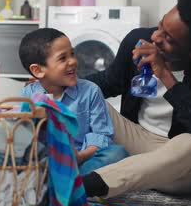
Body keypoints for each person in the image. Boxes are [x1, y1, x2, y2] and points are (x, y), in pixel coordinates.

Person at [83, 0, 191, 200]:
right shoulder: (138, 41)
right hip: (136, 141)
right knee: (84, 94)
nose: (156, 37)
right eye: (160, 26)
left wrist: (167, 77)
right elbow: (108, 82)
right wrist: (57, 84)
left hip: (182, 164)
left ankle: (88, 186)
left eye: (169, 38)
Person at [19, 28, 129, 177]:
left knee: (118, 153)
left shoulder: (90, 91)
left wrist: (80, 156)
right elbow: (24, 138)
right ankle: (72, 186)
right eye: (62, 58)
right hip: (47, 162)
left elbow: (101, 135)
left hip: (84, 161)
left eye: (72, 54)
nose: (73, 61)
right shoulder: (28, 95)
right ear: (38, 70)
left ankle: (69, 185)